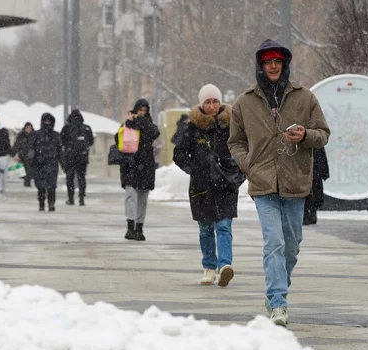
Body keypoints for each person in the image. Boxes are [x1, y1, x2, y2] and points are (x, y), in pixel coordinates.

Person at [228, 39, 330, 327]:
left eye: (278, 62)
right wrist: (248, 164)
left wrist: (306, 136)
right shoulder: (245, 102)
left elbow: (323, 133)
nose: (273, 66)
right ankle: (278, 302)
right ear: (260, 66)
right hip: (262, 183)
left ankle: (276, 289)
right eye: (268, 62)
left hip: (296, 180)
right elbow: (235, 141)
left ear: (284, 65)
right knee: (273, 242)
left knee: (292, 245)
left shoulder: (305, 97)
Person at [174, 84, 245, 287]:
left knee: (223, 226)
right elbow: (178, 154)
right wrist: (195, 169)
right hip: (201, 186)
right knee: (205, 228)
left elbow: (243, 151)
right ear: (202, 104)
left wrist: (237, 173)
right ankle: (209, 267)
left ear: (220, 102)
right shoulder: (192, 128)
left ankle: (225, 266)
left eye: (215, 101)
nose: (212, 105)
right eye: (208, 102)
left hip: (226, 184)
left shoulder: (231, 126)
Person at [116, 99, 160, 241]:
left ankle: (139, 228)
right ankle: (130, 227)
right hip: (130, 164)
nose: (142, 113)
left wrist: (140, 121)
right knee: (130, 195)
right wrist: (130, 123)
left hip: (146, 165)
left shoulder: (149, 125)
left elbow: (154, 133)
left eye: (144, 111)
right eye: (140, 110)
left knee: (142, 198)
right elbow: (118, 139)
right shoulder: (128, 124)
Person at [60, 109, 94, 206]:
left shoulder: (66, 128)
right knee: (81, 177)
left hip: (70, 156)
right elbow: (91, 141)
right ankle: (82, 198)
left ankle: (71, 198)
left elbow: (61, 140)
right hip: (82, 156)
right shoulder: (86, 128)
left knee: (70, 177)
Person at [30, 113, 62, 212]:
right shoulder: (36, 135)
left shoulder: (56, 135)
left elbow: (60, 150)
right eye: (46, 121)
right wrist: (31, 161)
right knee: (41, 186)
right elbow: (31, 149)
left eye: (49, 121)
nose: (47, 123)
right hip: (40, 165)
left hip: (52, 165)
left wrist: (64, 163)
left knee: (52, 187)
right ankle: (42, 203)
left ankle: (51, 204)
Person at [304, 147, 330, 225]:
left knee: (308, 195)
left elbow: (322, 157)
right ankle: (310, 214)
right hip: (314, 173)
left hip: (310, 173)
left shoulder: (316, 144)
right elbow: (322, 158)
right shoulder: (317, 143)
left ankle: (308, 215)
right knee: (313, 195)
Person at [13, 122, 35, 187]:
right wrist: (15, 154)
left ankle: (27, 181)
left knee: (29, 168)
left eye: (29, 128)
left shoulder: (34, 135)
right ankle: (26, 181)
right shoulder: (21, 135)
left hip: (31, 154)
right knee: (25, 168)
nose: (28, 129)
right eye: (27, 128)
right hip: (22, 154)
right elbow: (16, 145)